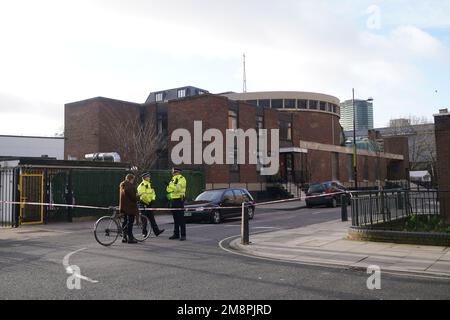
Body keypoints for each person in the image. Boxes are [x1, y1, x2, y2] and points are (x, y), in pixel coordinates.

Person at [137, 172, 165, 237]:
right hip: (143, 204)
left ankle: (157, 231)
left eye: (149, 177)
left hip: (149, 204)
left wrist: (153, 199)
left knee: (152, 218)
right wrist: (148, 201)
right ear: (145, 178)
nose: (149, 178)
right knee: (144, 220)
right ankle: (144, 233)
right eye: (148, 177)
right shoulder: (141, 185)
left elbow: (153, 193)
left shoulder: (149, 185)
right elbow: (143, 196)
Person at [167, 168, 187, 241]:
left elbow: (178, 188)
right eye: (173, 172)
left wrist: (170, 186)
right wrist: (171, 187)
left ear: (177, 172)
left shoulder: (182, 179)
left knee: (181, 218)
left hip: (179, 199)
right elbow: (167, 189)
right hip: (173, 200)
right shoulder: (172, 179)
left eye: (174, 172)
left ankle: (183, 235)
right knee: (175, 218)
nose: (173, 173)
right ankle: (176, 234)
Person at [119, 174, 139, 244]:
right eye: (133, 179)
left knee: (125, 221)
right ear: (131, 179)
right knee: (130, 222)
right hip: (130, 207)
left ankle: (124, 237)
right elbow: (133, 198)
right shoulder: (130, 186)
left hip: (124, 207)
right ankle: (130, 238)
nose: (133, 181)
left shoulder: (122, 185)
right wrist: (138, 196)